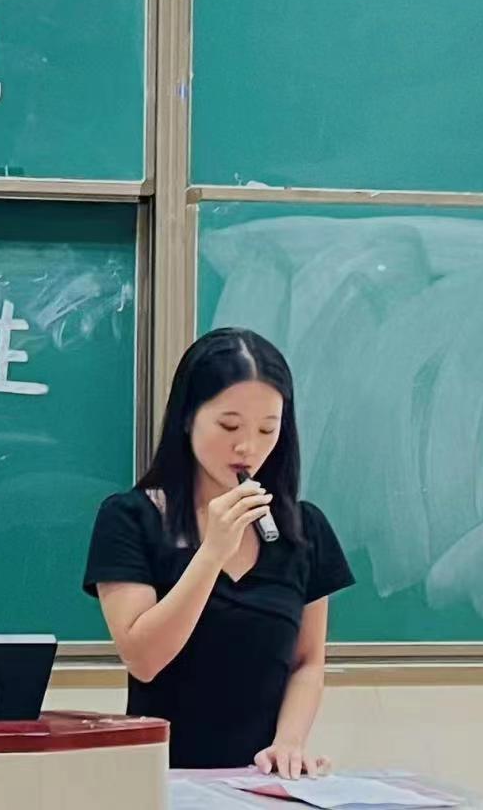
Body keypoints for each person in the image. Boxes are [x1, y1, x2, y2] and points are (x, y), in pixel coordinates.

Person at [83, 327, 354, 776]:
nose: (248, 447)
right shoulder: (130, 517)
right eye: (229, 426)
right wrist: (211, 554)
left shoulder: (303, 529)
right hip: (163, 779)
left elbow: (307, 662)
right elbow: (144, 659)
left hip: (261, 783)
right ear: (188, 416)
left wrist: (289, 745)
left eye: (267, 429)